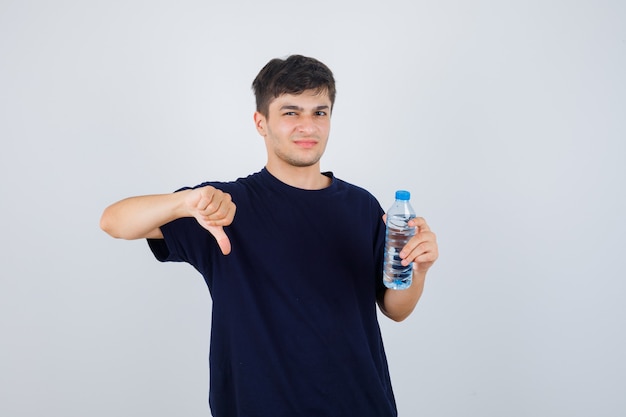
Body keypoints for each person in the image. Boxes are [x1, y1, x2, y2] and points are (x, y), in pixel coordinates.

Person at [100, 54, 438, 417]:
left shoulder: (362, 206)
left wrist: (418, 270)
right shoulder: (222, 207)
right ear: (261, 122)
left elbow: (394, 308)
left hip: (362, 404)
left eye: (319, 112)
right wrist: (184, 202)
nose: (307, 126)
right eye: (291, 112)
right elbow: (114, 222)